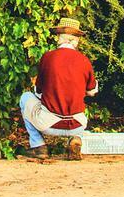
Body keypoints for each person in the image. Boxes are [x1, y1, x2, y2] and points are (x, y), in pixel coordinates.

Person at [19, 17, 98, 160]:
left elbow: (38, 91)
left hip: (49, 124)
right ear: (76, 40)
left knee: (25, 98)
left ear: (59, 38)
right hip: (77, 124)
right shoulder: (84, 60)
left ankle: (38, 146)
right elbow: (92, 91)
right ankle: (76, 139)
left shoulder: (48, 57)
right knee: (79, 104)